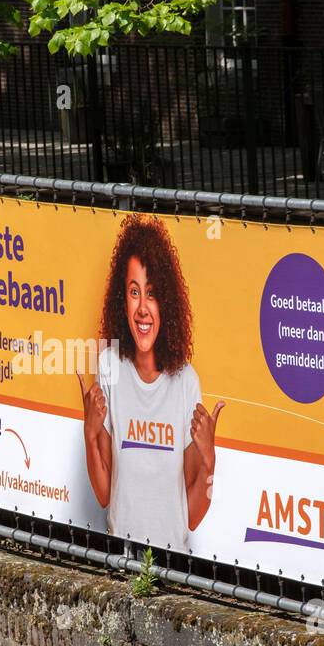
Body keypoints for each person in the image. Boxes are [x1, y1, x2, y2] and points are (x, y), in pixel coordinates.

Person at [76, 214, 224, 552]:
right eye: (133, 292)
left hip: (174, 563)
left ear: (167, 303)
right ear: (121, 300)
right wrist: (90, 433)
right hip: (122, 558)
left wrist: (209, 459)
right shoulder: (109, 365)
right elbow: (103, 494)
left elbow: (192, 517)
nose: (142, 308)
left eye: (152, 294)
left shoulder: (186, 381)